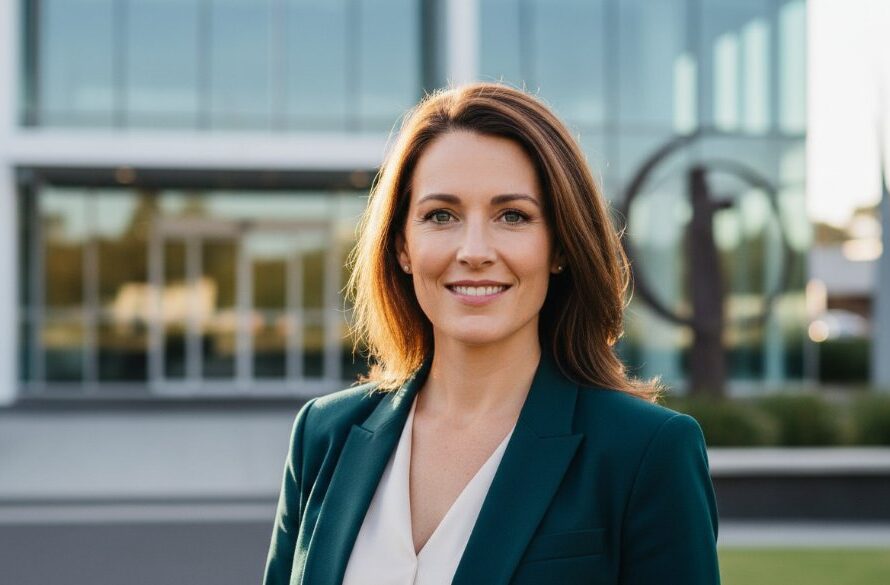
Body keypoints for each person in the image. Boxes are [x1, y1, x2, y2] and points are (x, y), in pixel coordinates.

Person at [263, 83, 720, 585]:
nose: (474, 250)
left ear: (560, 247)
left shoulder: (645, 452)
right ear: (403, 247)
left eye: (513, 216)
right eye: (442, 216)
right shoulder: (323, 435)